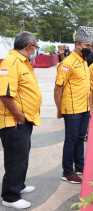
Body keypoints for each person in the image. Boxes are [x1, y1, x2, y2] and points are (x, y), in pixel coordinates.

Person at [0, 32, 41, 209]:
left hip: (24, 120)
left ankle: (18, 185)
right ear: (28, 45)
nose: (36, 49)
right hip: (14, 121)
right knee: (15, 159)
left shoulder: (23, 61)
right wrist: (19, 116)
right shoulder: (11, 62)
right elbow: (5, 95)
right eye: (35, 45)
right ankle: (10, 197)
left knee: (22, 156)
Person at [54, 26, 93, 184]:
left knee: (80, 138)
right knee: (71, 140)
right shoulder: (67, 63)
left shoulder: (84, 61)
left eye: (90, 45)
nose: (89, 49)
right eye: (86, 45)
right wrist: (60, 110)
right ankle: (67, 171)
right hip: (71, 109)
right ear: (77, 44)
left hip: (84, 108)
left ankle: (80, 166)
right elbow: (58, 88)